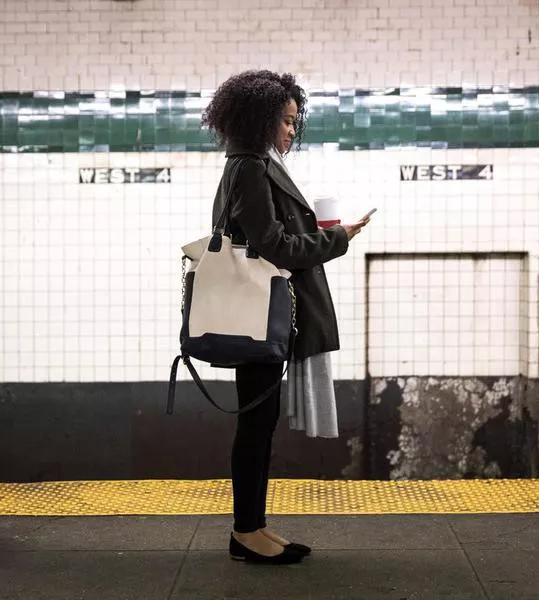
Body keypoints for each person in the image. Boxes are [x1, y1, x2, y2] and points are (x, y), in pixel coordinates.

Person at [203, 70, 370, 565]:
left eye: (295, 122)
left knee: (261, 419)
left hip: (259, 312)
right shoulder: (251, 168)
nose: (292, 130)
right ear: (262, 119)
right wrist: (338, 238)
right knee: (256, 422)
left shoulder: (251, 164)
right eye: (287, 121)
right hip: (258, 314)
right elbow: (272, 245)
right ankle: (246, 531)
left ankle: (253, 526)